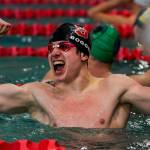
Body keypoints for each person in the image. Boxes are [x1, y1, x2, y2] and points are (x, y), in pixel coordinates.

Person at [0, 23, 150, 128]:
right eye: (51, 48)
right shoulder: (37, 94)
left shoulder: (116, 88)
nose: (54, 53)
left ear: (84, 55)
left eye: (64, 47)